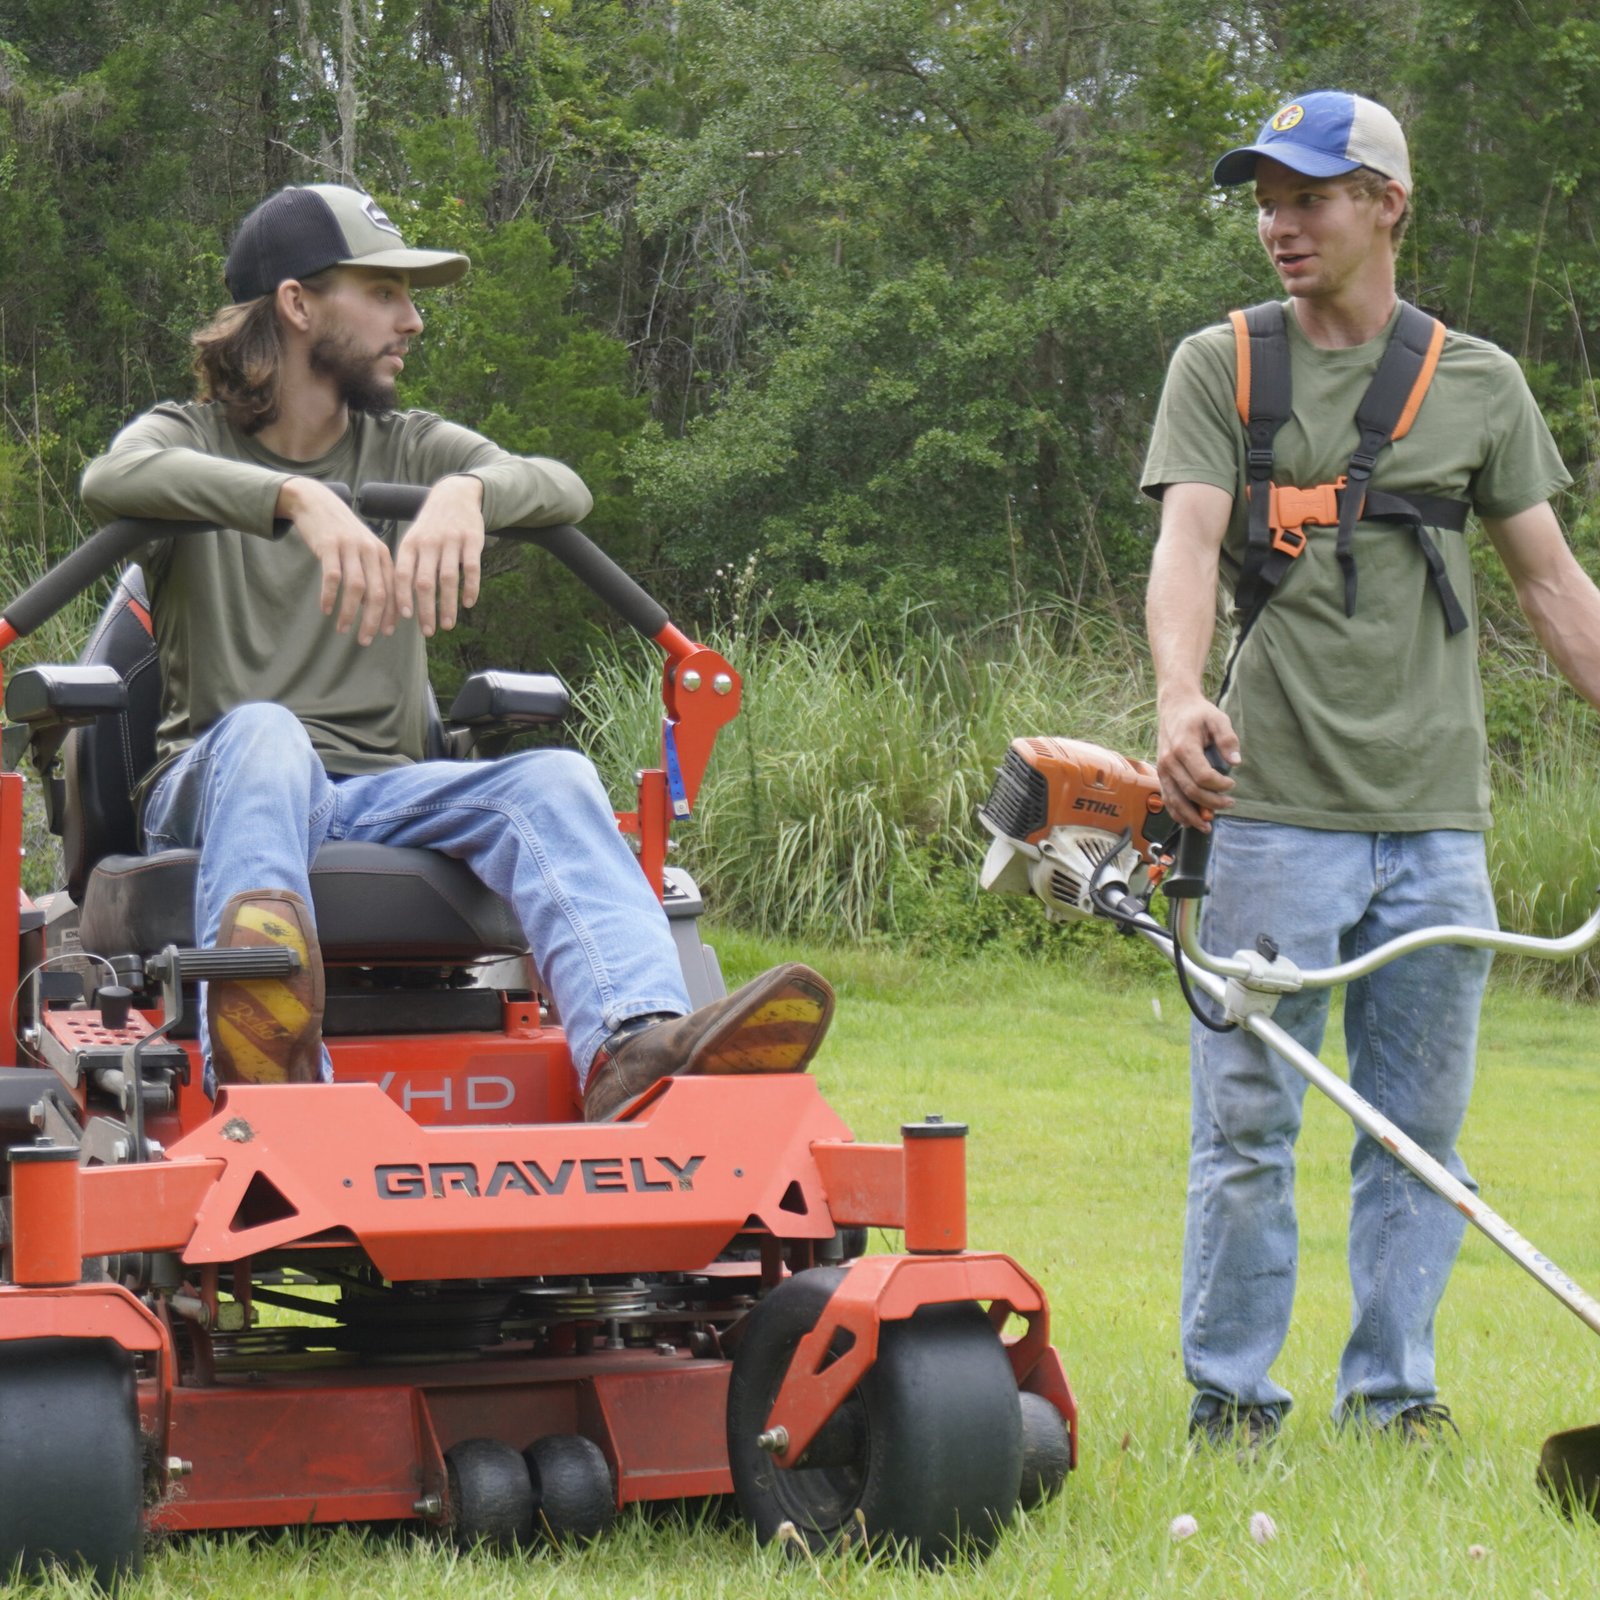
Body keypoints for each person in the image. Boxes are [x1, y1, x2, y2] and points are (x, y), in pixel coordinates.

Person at [80, 181, 833, 1122]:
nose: (414, 319)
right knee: (267, 731)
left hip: (376, 796)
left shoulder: (411, 448)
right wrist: (296, 498)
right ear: (298, 303)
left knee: (552, 777)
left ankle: (637, 1051)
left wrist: (467, 494)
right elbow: (111, 476)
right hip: (217, 787)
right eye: (385, 293)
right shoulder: (185, 437)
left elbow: (557, 485)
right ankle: (257, 1045)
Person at [1142, 91, 1600, 1448]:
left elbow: (1555, 587)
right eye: (1268, 199)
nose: (1282, 223)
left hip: (1437, 828)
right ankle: (1233, 1399)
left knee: (1418, 1136)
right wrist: (1174, 694)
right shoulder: (1217, 365)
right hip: (1269, 812)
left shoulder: (1480, 383)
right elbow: (1184, 548)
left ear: (1386, 204)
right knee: (1247, 1125)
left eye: (1312, 195)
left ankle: (1392, 1398)